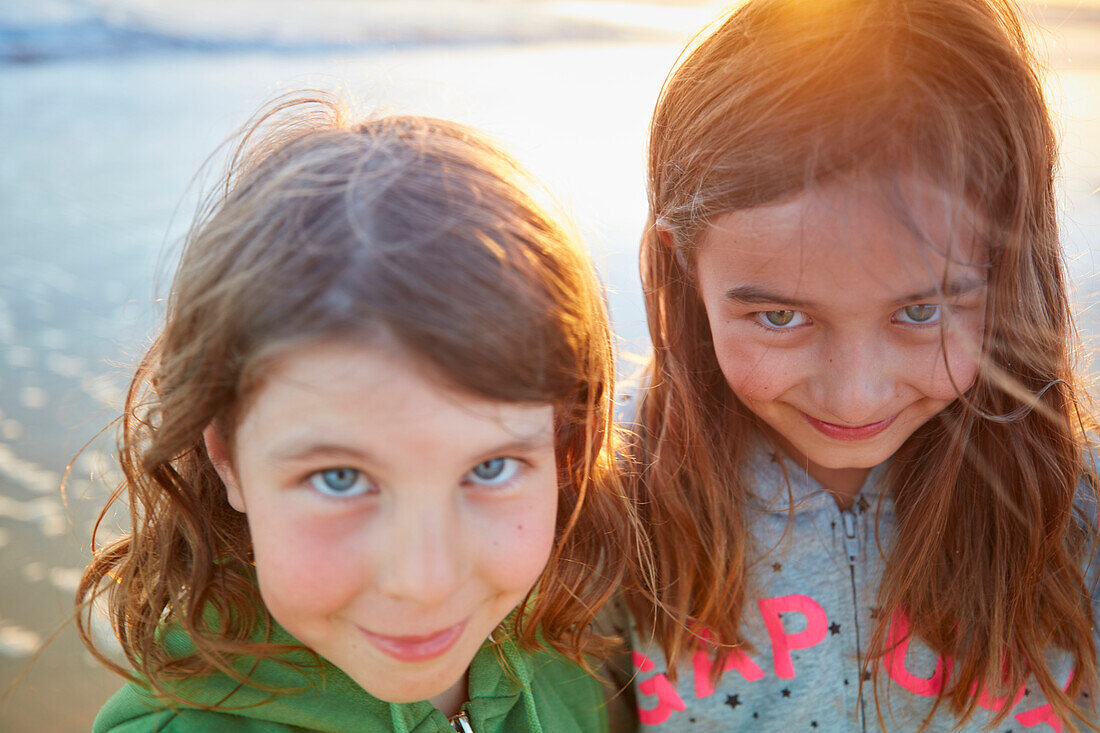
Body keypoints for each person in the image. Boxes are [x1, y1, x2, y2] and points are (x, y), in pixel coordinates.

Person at [75, 91, 631, 733]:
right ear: (225, 458)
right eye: (339, 478)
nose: (424, 581)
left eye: (494, 467)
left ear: (566, 448)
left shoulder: (585, 643)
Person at [623, 0, 1100, 729]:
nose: (855, 395)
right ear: (678, 266)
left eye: (920, 312)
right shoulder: (600, 504)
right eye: (780, 316)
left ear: (1005, 269)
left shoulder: (1080, 514)